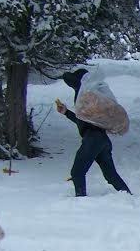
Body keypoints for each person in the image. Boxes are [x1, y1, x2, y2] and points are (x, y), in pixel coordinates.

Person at [56, 68, 131, 197]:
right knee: (110, 175)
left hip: (92, 140)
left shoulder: (86, 95)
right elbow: (84, 120)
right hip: (102, 140)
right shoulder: (91, 95)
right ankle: (128, 196)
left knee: (77, 172)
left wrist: (79, 79)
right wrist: (66, 113)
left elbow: (67, 77)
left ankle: (80, 201)